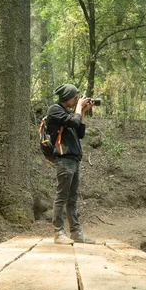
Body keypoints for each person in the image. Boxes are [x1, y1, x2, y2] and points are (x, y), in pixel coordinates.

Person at [46, 83, 96, 245]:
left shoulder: (69, 114)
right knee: (62, 196)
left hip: (74, 159)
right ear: (67, 97)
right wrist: (78, 110)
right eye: (75, 97)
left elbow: (80, 132)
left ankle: (75, 232)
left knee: (72, 198)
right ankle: (58, 233)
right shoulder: (55, 110)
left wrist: (83, 111)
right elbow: (74, 122)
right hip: (64, 158)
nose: (77, 99)